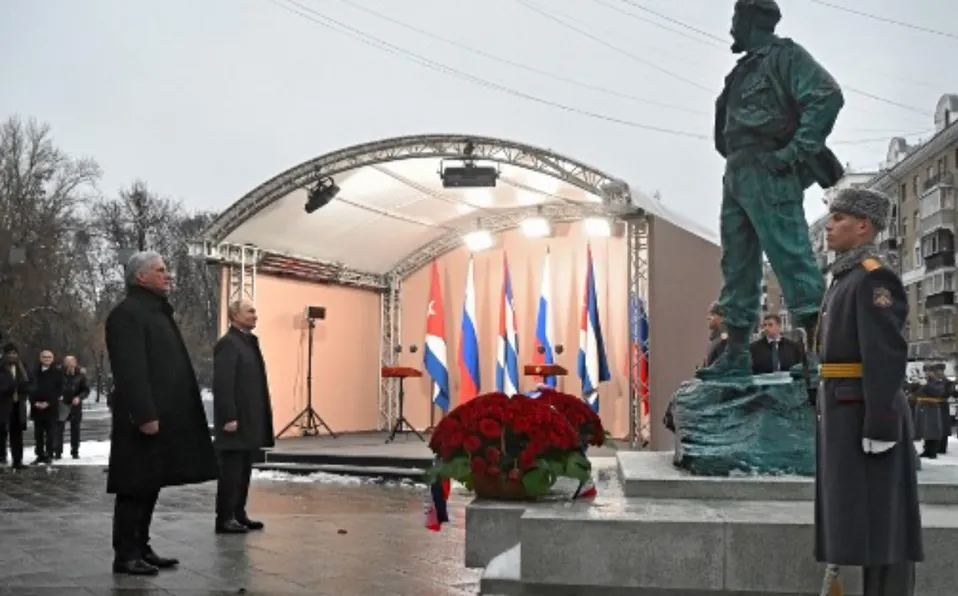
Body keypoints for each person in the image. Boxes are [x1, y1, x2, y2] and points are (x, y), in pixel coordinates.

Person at [698, 0, 844, 379]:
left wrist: (794, 152)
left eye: (735, 21)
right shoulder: (742, 70)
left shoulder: (785, 56)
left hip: (769, 167)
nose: (732, 30)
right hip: (738, 170)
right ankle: (736, 354)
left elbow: (827, 96)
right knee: (737, 264)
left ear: (750, 20)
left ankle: (817, 353)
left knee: (791, 255)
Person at [815, 188, 922, 596]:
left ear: (863, 226)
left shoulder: (873, 275)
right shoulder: (847, 276)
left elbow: (885, 353)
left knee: (884, 521)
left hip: (863, 413)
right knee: (859, 519)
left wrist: (880, 423)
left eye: (839, 218)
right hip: (845, 410)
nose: (829, 225)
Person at [105, 250, 218, 576]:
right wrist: (144, 414)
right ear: (141, 277)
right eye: (161, 270)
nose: (168, 275)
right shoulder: (127, 314)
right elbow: (130, 370)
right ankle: (125, 554)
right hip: (142, 418)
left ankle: (142, 547)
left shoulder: (155, 312)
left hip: (163, 414)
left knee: (150, 482)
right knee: (134, 485)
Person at [213, 299, 275, 534]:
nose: (255, 315)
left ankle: (239, 514)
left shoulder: (248, 343)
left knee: (244, 469)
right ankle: (224, 517)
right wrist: (229, 416)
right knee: (230, 471)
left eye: (255, 311)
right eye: (250, 312)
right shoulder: (228, 344)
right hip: (235, 421)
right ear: (234, 316)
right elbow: (223, 383)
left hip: (249, 420)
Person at [0, 343, 30, 470]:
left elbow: (30, 382)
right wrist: (11, 386)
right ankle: (1, 458)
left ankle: (17, 460)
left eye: (14, 353)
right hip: (3, 405)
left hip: (18, 404)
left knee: (17, 434)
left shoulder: (22, 367)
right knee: (1, 432)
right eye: (9, 353)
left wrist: (26, 388)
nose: (12, 356)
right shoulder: (1, 367)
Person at [30, 349, 63, 464]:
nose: (47, 359)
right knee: (38, 434)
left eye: (49, 357)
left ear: (52, 359)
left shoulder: (57, 373)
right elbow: (30, 389)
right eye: (44, 357)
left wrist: (48, 402)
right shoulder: (34, 372)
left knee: (50, 434)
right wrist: (34, 402)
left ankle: (49, 454)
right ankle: (39, 455)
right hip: (37, 408)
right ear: (40, 358)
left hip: (51, 408)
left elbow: (59, 390)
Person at [57, 355, 90, 459]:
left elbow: (85, 390)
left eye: (72, 362)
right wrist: (58, 395)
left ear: (75, 363)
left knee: (75, 429)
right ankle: (57, 451)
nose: (70, 365)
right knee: (58, 429)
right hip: (62, 404)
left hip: (75, 405)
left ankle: (75, 451)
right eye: (67, 362)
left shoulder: (80, 375)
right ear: (64, 363)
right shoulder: (58, 373)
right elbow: (53, 386)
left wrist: (79, 398)